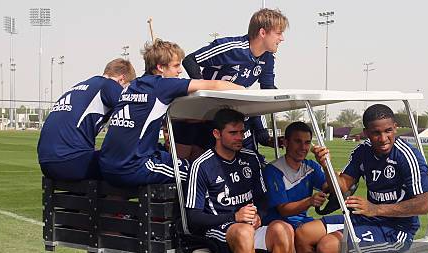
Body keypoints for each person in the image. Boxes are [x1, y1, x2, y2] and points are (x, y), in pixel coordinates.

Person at [291, 104, 428, 253]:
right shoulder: (363, 151)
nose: (383, 138)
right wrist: (325, 165)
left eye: (388, 131)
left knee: (328, 247)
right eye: (376, 133)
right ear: (366, 133)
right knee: (304, 233)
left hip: (396, 230)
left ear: (395, 127)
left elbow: (423, 205)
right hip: (367, 218)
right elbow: (342, 188)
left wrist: (375, 209)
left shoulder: (408, 156)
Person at [186, 108, 294, 253]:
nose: (240, 137)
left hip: (247, 226)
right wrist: (233, 218)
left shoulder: (250, 158)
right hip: (218, 230)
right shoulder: (202, 165)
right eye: (233, 133)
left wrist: (260, 216)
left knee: (284, 230)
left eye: (242, 132)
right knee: (244, 232)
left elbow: (264, 200)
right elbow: (193, 218)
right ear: (217, 133)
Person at [98, 39, 242, 186]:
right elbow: (215, 85)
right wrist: (245, 91)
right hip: (133, 167)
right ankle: (206, 209)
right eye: (176, 65)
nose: (180, 70)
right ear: (160, 67)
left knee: (178, 159)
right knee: (201, 171)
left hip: (107, 164)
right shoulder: (162, 85)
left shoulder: (133, 85)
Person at [178, 8, 288, 158]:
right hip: (207, 115)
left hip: (232, 113)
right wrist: (205, 91)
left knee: (247, 158)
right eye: (278, 33)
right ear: (263, 33)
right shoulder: (232, 48)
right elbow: (190, 61)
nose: (282, 38)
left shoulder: (268, 58)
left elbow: (267, 89)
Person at [37, 58, 136, 180]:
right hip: (69, 162)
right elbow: (135, 114)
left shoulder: (79, 86)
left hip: (46, 164)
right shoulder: (109, 85)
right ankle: (114, 199)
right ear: (121, 79)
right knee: (129, 162)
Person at [263, 121, 328, 229]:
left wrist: (326, 166)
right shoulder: (273, 170)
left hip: (302, 222)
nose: (303, 147)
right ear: (286, 142)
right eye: (298, 141)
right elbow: (283, 210)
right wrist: (310, 201)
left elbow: (328, 187)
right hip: (278, 225)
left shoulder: (310, 166)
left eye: (307, 143)